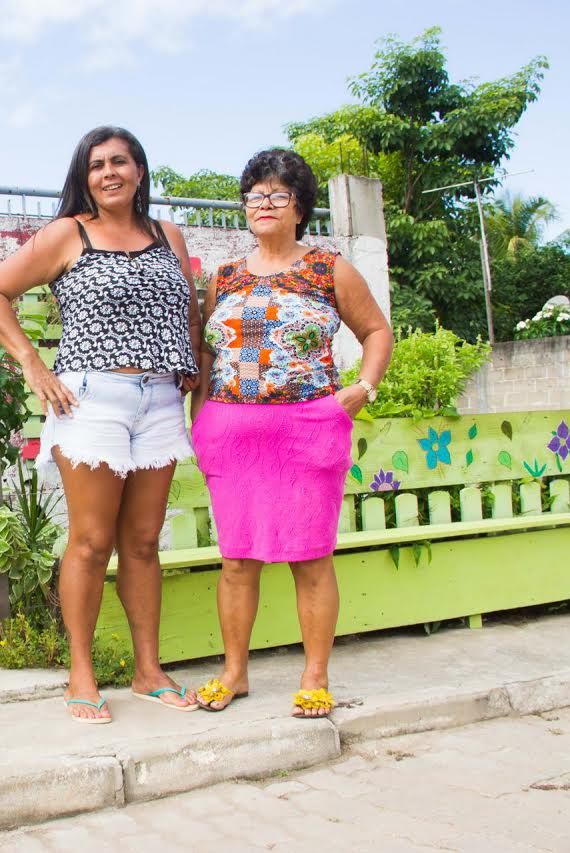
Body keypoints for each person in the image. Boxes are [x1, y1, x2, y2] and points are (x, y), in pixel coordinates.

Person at [0, 126, 203, 723]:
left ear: (139, 170)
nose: (110, 173)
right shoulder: (67, 234)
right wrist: (31, 362)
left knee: (144, 543)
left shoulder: (167, 235)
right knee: (90, 540)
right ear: (85, 175)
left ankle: (147, 670)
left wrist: (191, 364)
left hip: (158, 402)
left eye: (120, 162)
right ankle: (81, 671)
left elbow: (189, 310)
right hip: (90, 400)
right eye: (97, 164)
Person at [190, 148, 392, 718]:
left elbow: (377, 330)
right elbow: (208, 353)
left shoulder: (329, 270)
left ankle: (315, 674)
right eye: (255, 196)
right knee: (236, 560)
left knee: (310, 558)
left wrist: (363, 387)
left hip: (307, 430)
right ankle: (234, 673)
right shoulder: (225, 277)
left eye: (278, 195)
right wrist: (201, 420)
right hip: (233, 432)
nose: (264, 205)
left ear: (300, 207)